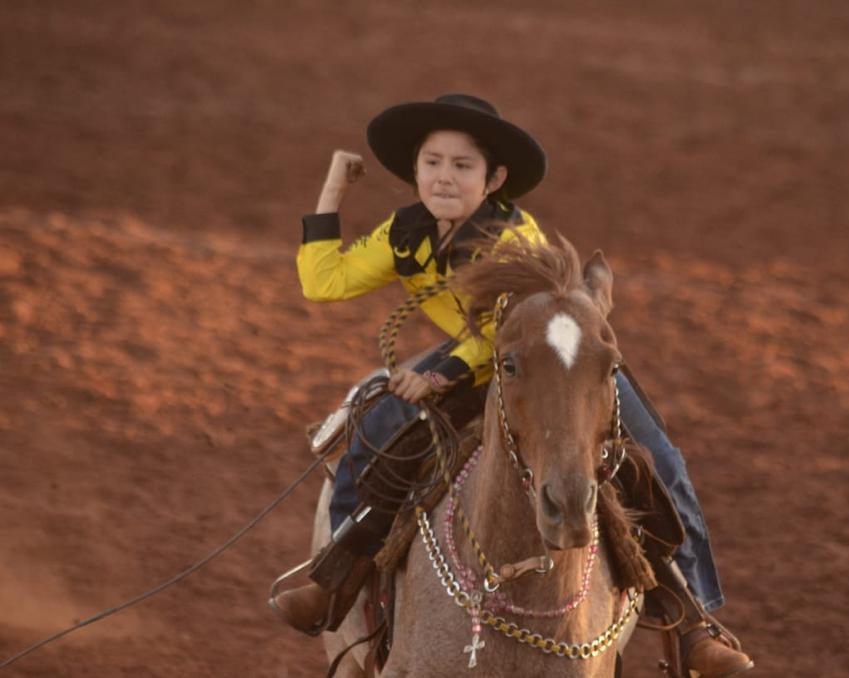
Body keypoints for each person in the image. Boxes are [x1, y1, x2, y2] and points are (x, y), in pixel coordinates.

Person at [270, 94, 753, 677]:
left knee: (659, 463)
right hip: (475, 357)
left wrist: (440, 373)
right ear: (415, 171)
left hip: (546, 358)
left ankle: (694, 623)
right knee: (373, 428)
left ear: (494, 178)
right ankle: (334, 578)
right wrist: (332, 192)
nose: (445, 176)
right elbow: (324, 282)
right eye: (432, 162)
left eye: (462, 165)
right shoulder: (405, 232)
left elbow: (514, 325)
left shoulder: (513, 240)